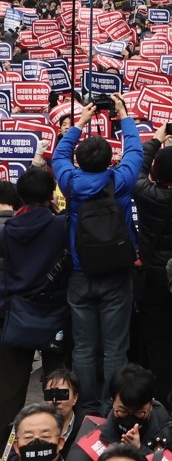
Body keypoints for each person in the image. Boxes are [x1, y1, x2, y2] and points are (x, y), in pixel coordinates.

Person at [51, 97, 144, 415]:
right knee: (116, 346)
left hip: (80, 272)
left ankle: (86, 407)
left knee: (85, 347)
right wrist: (124, 116)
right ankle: (111, 406)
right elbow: (135, 153)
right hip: (116, 273)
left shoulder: (71, 182)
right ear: (109, 160)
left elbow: (59, 155)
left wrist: (78, 123)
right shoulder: (119, 181)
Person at [0, 168, 70, 432]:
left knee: (10, 388)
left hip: (16, 313)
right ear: (51, 193)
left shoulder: (8, 230)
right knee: (57, 385)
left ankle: (8, 445)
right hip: (55, 314)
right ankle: (56, 437)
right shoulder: (61, 225)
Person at [132, 125, 172, 400]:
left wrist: (156, 139)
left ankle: (163, 396)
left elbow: (137, 168)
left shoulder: (146, 193)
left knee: (157, 340)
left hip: (153, 274)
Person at [94, 364, 171, 455]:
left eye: (139, 412)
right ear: (113, 401)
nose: (130, 420)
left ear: (151, 403)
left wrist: (139, 450)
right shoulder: (95, 435)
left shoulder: (168, 431)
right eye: (123, 411)